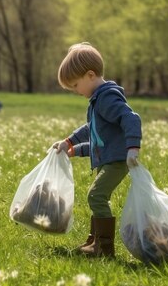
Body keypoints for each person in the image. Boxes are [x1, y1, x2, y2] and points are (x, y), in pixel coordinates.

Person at [52, 42, 141, 258]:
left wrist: (132, 147)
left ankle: (104, 248)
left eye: (75, 85)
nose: (75, 91)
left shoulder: (106, 98)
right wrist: (70, 145)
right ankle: (95, 242)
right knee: (97, 196)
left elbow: (131, 118)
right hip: (110, 159)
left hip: (118, 161)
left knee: (96, 196)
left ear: (90, 75)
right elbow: (95, 134)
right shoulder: (97, 100)